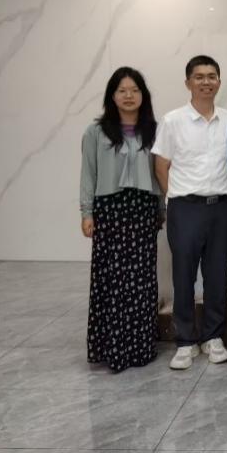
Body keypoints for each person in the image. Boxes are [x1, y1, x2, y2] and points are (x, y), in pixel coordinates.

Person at [152, 55, 227, 370]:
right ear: (188, 82)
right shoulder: (173, 120)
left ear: (219, 81)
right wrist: (175, 197)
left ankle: (213, 337)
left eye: (211, 76)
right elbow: (161, 165)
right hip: (184, 208)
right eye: (199, 77)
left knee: (217, 275)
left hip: (221, 208)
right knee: (183, 276)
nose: (206, 82)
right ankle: (185, 340)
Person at [80, 67, 163, 373]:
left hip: (143, 209)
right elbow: (88, 174)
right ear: (111, 96)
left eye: (135, 90)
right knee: (112, 280)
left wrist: (162, 209)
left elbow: (160, 174)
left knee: (142, 280)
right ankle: (113, 348)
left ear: (144, 95)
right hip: (110, 209)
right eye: (122, 90)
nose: (129, 96)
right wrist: (86, 212)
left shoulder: (155, 131)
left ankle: (140, 347)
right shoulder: (95, 132)